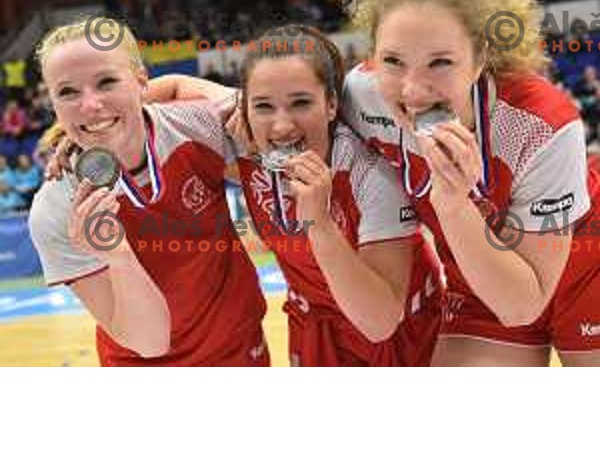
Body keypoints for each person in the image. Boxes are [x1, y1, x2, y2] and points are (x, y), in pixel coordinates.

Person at [343, 0, 600, 366]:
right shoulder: (360, 93)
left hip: (587, 266)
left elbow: (522, 306)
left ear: (480, 59)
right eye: (392, 60)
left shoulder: (542, 123)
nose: (412, 88)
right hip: (481, 271)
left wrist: (453, 203)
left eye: (440, 62)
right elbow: (257, 109)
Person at [143, 25, 443, 366]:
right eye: (264, 106)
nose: (282, 126)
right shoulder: (240, 133)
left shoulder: (369, 172)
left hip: (399, 324)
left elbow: (379, 324)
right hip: (312, 321)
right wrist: (80, 134)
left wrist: (321, 225)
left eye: (301, 102)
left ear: (331, 105)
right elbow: (173, 86)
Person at [29, 18, 268, 367]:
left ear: (141, 80)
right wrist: (119, 257)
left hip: (238, 348)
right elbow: (149, 343)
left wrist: (182, 84)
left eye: (107, 81)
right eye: (67, 92)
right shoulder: (56, 209)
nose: (90, 104)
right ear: (52, 104)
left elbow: (282, 120)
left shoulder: (197, 126)